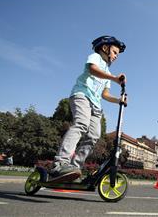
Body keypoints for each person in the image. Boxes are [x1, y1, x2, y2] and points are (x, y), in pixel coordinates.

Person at [48, 36, 127, 182]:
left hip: (96, 105)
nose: (116, 56)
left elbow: (105, 95)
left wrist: (119, 100)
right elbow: (92, 70)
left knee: (94, 135)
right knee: (81, 124)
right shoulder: (96, 57)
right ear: (105, 48)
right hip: (82, 96)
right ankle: (59, 164)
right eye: (115, 52)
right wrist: (115, 78)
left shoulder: (107, 71)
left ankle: (74, 168)